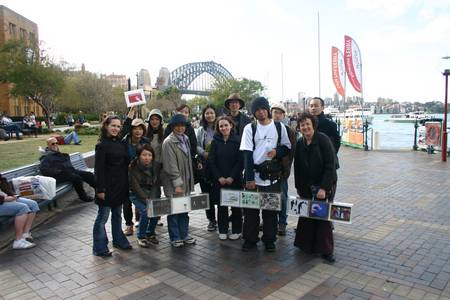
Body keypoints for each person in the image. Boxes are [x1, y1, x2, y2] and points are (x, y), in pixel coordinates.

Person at [239, 97, 291, 252]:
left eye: (263, 109)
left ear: (267, 109)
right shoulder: (250, 128)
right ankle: (250, 239)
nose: (261, 112)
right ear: (253, 112)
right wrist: (249, 178)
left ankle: (269, 240)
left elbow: (287, 147)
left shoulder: (279, 127)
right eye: (257, 110)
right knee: (250, 212)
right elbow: (247, 154)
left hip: (272, 177)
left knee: (270, 211)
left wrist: (277, 151)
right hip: (254, 175)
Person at [293, 112, 338, 263]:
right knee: (306, 215)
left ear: (313, 125)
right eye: (302, 125)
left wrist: (324, 188)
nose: (305, 127)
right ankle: (306, 245)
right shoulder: (300, 143)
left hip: (324, 183)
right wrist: (299, 186)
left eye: (307, 124)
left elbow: (330, 166)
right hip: (307, 184)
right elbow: (298, 166)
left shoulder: (323, 140)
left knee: (322, 217)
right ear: (299, 127)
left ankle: (326, 250)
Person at [93, 116, 132, 257]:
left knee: (117, 216)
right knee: (102, 218)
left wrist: (130, 115)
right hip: (107, 188)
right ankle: (99, 247)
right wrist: (100, 189)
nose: (116, 128)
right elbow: (99, 170)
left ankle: (118, 240)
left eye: (118, 126)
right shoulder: (101, 146)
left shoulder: (121, 143)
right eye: (113, 126)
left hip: (120, 186)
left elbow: (127, 129)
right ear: (106, 127)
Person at [161, 114, 196, 248]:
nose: (180, 128)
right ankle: (175, 237)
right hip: (175, 184)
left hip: (185, 181)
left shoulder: (185, 139)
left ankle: (184, 234)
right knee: (174, 210)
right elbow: (170, 166)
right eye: (177, 126)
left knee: (184, 209)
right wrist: (178, 184)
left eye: (183, 125)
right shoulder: (168, 142)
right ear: (172, 127)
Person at [208, 116, 243, 240]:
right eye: (221, 126)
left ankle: (237, 230)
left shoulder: (238, 141)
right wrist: (219, 177)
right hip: (220, 181)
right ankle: (222, 229)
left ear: (231, 126)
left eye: (226, 125)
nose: (224, 128)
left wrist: (232, 177)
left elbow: (240, 161)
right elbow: (211, 161)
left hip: (235, 180)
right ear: (218, 128)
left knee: (236, 207)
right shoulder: (215, 141)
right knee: (221, 206)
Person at [39, 137, 95, 202]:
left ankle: (99, 191)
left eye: (57, 143)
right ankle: (83, 196)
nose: (55, 145)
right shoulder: (46, 157)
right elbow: (44, 169)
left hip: (69, 171)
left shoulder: (58, 153)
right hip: (58, 175)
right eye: (53, 144)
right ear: (48, 145)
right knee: (76, 178)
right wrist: (59, 171)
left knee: (88, 174)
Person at [121, 108, 149, 236]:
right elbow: (124, 127)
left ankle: (142, 221)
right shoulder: (125, 141)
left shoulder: (145, 142)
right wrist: (131, 112)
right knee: (126, 202)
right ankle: (129, 225)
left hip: (140, 176)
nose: (138, 131)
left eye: (140, 128)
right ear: (131, 130)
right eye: (135, 128)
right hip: (126, 176)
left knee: (141, 200)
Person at [270, 104, 297, 236]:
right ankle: (270, 221)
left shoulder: (288, 131)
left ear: (284, 115)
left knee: (282, 197)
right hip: (267, 172)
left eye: (280, 113)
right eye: (275, 112)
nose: (277, 115)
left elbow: (291, 153)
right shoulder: (265, 128)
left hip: (281, 171)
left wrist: (286, 169)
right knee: (269, 197)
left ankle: (282, 222)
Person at [129, 144, 161, 248]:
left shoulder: (156, 166)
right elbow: (135, 187)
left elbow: (156, 185)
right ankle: (141, 236)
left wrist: (153, 199)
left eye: (149, 155)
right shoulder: (133, 167)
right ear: (138, 156)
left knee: (156, 211)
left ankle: (150, 233)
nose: (147, 158)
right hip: (137, 194)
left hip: (152, 193)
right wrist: (146, 200)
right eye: (144, 155)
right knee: (145, 211)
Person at [0, 174, 39, 249]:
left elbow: (3, 183)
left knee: (33, 205)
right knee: (22, 208)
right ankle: (18, 240)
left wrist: (12, 195)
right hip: (2, 201)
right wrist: (4, 199)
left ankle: (25, 234)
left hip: (4, 198)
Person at [196, 104, 218, 232]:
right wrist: (204, 153)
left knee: (218, 192)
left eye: (212, 113)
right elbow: (197, 146)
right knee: (206, 194)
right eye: (207, 113)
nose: (210, 115)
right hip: (205, 165)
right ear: (204, 116)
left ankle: (221, 218)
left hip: (218, 165)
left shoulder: (220, 127)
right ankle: (211, 220)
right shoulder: (200, 130)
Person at [164, 104, 198, 182]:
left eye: (186, 112)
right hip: (173, 165)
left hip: (186, 164)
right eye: (182, 112)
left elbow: (193, 146)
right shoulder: (169, 127)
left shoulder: (190, 128)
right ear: (176, 112)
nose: (184, 114)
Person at [145, 108, 165, 227]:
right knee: (144, 192)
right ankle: (141, 217)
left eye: (157, 119)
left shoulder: (165, 133)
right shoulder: (146, 134)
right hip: (147, 166)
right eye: (152, 119)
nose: (154, 121)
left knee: (156, 192)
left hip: (159, 166)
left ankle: (156, 218)